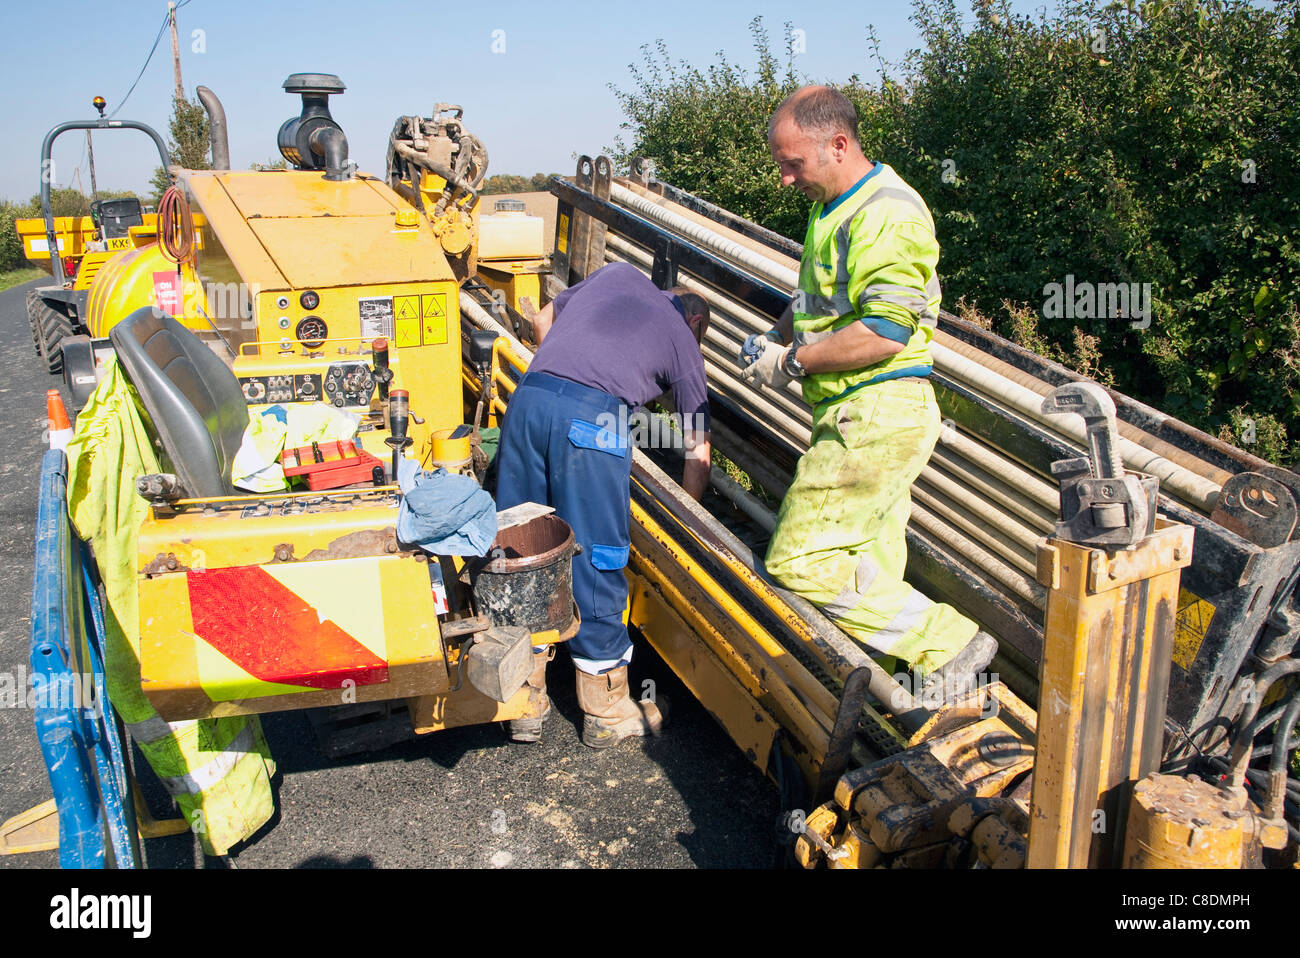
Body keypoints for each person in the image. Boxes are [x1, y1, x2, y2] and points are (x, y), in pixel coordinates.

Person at [740, 85, 997, 694]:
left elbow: (884, 330)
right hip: (859, 412)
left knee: (797, 560)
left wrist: (793, 362)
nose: (784, 179)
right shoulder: (833, 206)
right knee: (863, 563)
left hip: (877, 409)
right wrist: (777, 332)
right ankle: (894, 685)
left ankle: (949, 644)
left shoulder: (887, 211)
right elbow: (821, 297)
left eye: (792, 164)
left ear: (837, 144)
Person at [495, 261, 712, 746]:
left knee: (520, 547)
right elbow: (698, 452)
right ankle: (607, 707)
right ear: (695, 323)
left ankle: (523, 700)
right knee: (597, 554)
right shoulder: (682, 339)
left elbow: (542, 322)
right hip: (592, 421)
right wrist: (686, 526)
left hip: (529, 402)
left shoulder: (616, 275)